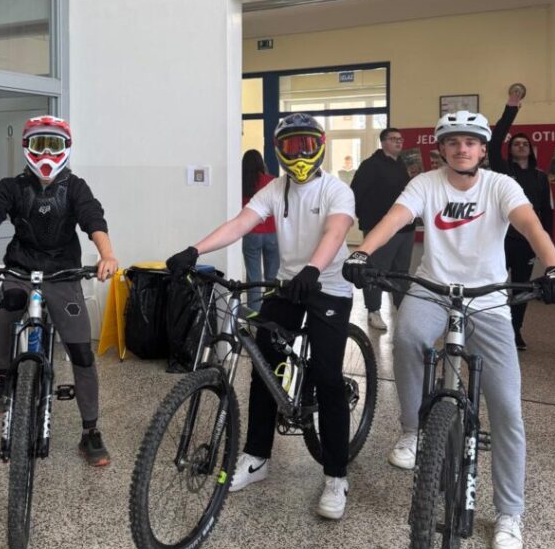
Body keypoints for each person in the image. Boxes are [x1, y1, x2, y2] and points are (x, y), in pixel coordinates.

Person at [343, 110, 555, 549]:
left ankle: (509, 512)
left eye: (470, 142)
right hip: (434, 289)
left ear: (483, 149)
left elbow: (531, 225)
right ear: (442, 150)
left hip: (487, 299)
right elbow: (395, 218)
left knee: (506, 407)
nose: (462, 148)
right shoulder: (425, 184)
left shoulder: (500, 185)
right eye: (453, 142)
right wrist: (362, 252)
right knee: (407, 337)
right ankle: (413, 430)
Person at [166, 113, 355, 520]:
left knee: (327, 377)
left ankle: (336, 476)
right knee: (264, 365)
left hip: (329, 286)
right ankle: (256, 456)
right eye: (291, 146)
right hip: (288, 285)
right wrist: (195, 251)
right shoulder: (274, 189)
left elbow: (336, 232)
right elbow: (239, 224)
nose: (299, 154)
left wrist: (313, 270)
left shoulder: (336, 190)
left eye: (306, 144)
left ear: (320, 146)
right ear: (278, 151)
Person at [0, 115, 118, 467]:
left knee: (81, 353)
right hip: (21, 270)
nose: (46, 154)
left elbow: (93, 219)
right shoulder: (13, 187)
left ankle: (90, 431)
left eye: (53, 145)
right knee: (10, 303)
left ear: (66, 148)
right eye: (39, 144)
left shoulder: (75, 187)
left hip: (63, 275)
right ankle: (2, 378)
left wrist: (107, 255)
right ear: (26, 147)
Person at [488, 91, 553, 350]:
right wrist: (511, 109)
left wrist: (545, 245)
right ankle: (491, 329)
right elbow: (494, 144)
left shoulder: (540, 177)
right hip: (501, 239)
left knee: (522, 290)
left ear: (531, 150)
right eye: (516, 143)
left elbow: (546, 212)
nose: (521, 146)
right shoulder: (503, 171)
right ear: (511, 149)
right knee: (492, 286)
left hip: (527, 243)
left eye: (525, 143)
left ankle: (515, 331)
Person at [349, 128, 413, 331]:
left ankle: (402, 310)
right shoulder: (370, 165)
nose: (399, 142)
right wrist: (366, 219)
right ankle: (373, 311)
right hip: (379, 227)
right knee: (375, 270)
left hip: (405, 228)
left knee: (401, 272)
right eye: (394, 139)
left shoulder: (403, 164)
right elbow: (355, 193)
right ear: (383, 142)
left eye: (400, 139)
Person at [241, 149, 280, 312]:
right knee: (272, 277)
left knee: (253, 278)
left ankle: (254, 315)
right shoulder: (273, 181)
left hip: (251, 233)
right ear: (261, 163)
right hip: (273, 233)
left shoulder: (241, 183)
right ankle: (271, 312)